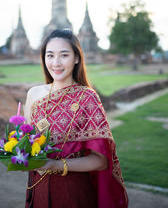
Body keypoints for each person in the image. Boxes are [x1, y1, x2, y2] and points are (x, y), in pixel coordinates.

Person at [24, 29, 128, 208]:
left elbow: (100, 161)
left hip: (72, 192)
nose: (55, 63)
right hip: (37, 188)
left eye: (64, 55)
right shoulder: (34, 95)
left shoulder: (87, 98)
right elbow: (27, 141)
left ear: (76, 58)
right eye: (50, 55)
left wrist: (56, 165)